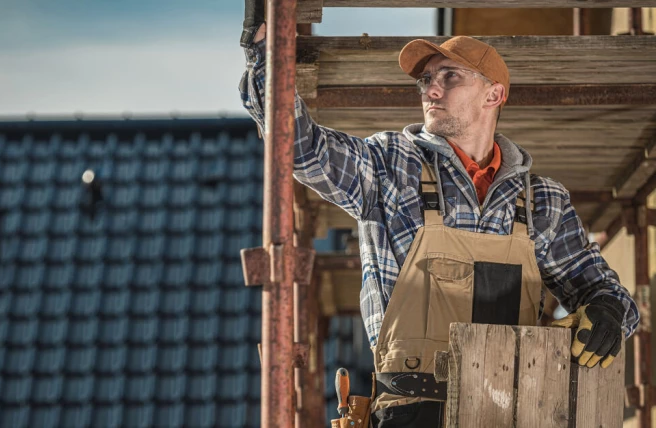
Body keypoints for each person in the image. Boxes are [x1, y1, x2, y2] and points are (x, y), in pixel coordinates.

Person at [239, 3, 640, 427]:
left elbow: (611, 299)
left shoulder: (543, 201)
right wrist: (264, 53)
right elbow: (301, 148)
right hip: (410, 413)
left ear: (494, 94)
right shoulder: (390, 166)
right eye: (427, 80)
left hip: (516, 411)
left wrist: (608, 313)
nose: (431, 90)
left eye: (450, 77)